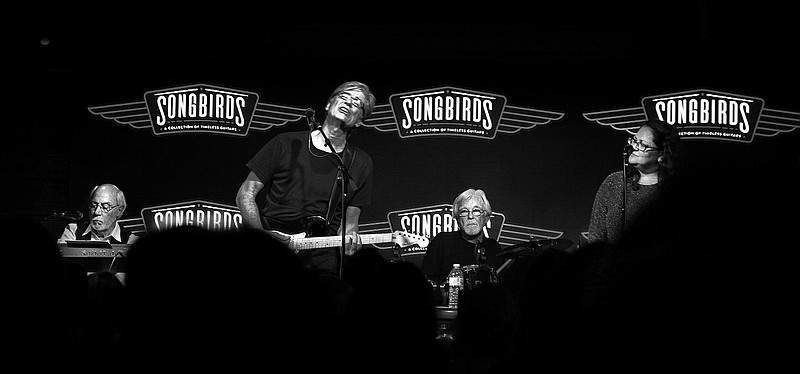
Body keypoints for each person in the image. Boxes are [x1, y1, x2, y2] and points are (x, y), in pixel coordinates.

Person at [236, 81, 376, 276]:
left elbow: (350, 221)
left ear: (360, 120)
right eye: (343, 97)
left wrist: (350, 236)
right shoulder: (286, 143)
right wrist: (261, 238)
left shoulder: (359, 162)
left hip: (320, 256)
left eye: (356, 102)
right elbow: (246, 193)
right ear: (328, 104)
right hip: (272, 247)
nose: (348, 103)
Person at [586, 119, 682, 246]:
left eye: (642, 145)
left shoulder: (675, 191)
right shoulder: (614, 182)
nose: (632, 147)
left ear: (662, 154)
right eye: (634, 141)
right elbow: (595, 238)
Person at [420, 188, 505, 287]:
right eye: (464, 211)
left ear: (486, 218)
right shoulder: (442, 242)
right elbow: (425, 282)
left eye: (476, 211)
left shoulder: (494, 248)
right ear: (457, 219)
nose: (470, 216)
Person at [58, 183, 139, 244]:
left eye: (105, 207)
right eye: (93, 205)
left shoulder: (131, 242)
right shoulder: (73, 232)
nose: (96, 212)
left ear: (119, 210)